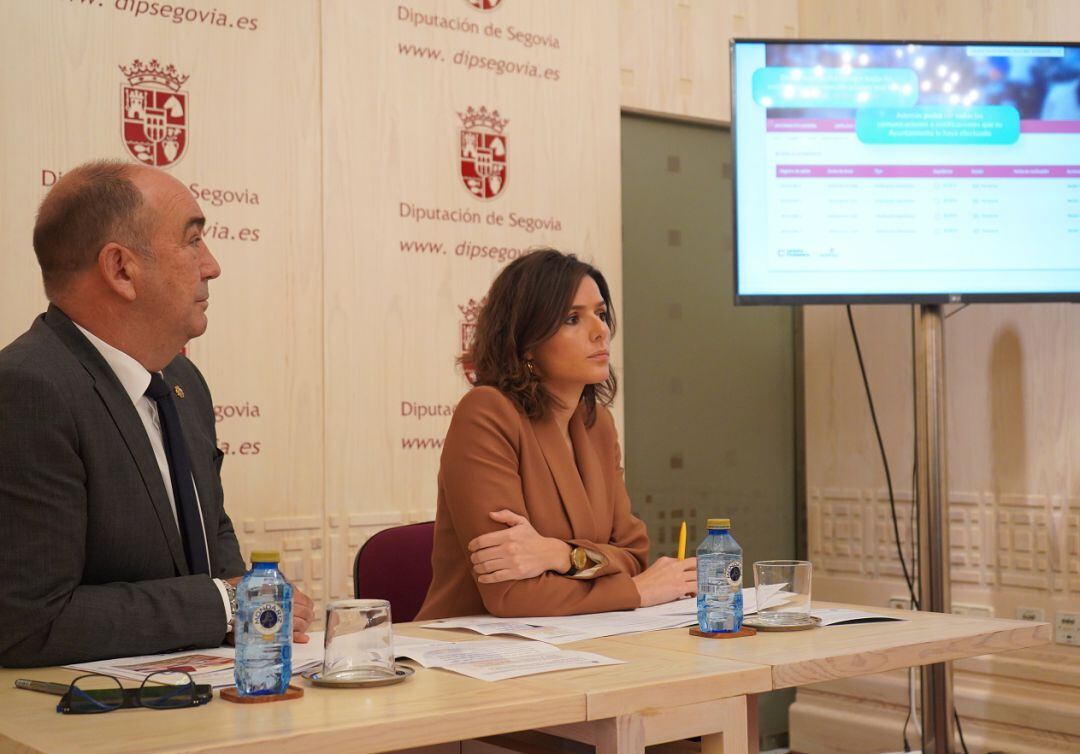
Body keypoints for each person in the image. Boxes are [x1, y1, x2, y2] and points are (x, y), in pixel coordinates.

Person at [0, 160, 314, 667]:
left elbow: (215, 545)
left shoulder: (182, 383)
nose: (212, 265)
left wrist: (246, 605)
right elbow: (31, 621)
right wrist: (226, 605)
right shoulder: (28, 388)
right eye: (193, 241)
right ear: (122, 269)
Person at [417, 249, 696, 620]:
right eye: (571, 318)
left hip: (577, 640)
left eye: (600, 313)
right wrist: (635, 591)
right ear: (527, 340)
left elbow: (631, 555)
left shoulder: (597, 425)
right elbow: (512, 594)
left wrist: (559, 555)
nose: (600, 331)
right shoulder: (487, 413)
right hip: (475, 653)